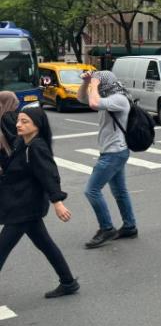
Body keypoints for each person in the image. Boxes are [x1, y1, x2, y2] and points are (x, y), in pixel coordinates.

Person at [0, 106, 79, 298]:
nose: (19, 124)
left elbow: (49, 175)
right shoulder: (23, 142)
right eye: (19, 121)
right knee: (46, 244)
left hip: (23, 207)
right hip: (22, 204)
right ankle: (68, 282)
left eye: (25, 121)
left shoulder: (37, 147)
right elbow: (15, 168)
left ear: (37, 125)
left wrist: (57, 201)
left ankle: (68, 282)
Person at [77, 70, 138, 249]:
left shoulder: (119, 98)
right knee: (120, 192)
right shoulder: (107, 96)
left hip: (114, 153)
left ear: (105, 84)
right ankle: (129, 226)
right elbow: (83, 99)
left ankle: (106, 228)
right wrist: (87, 82)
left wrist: (94, 83)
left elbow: (94, 102)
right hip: (113, 151)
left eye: (98, 82)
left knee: (92, 190)